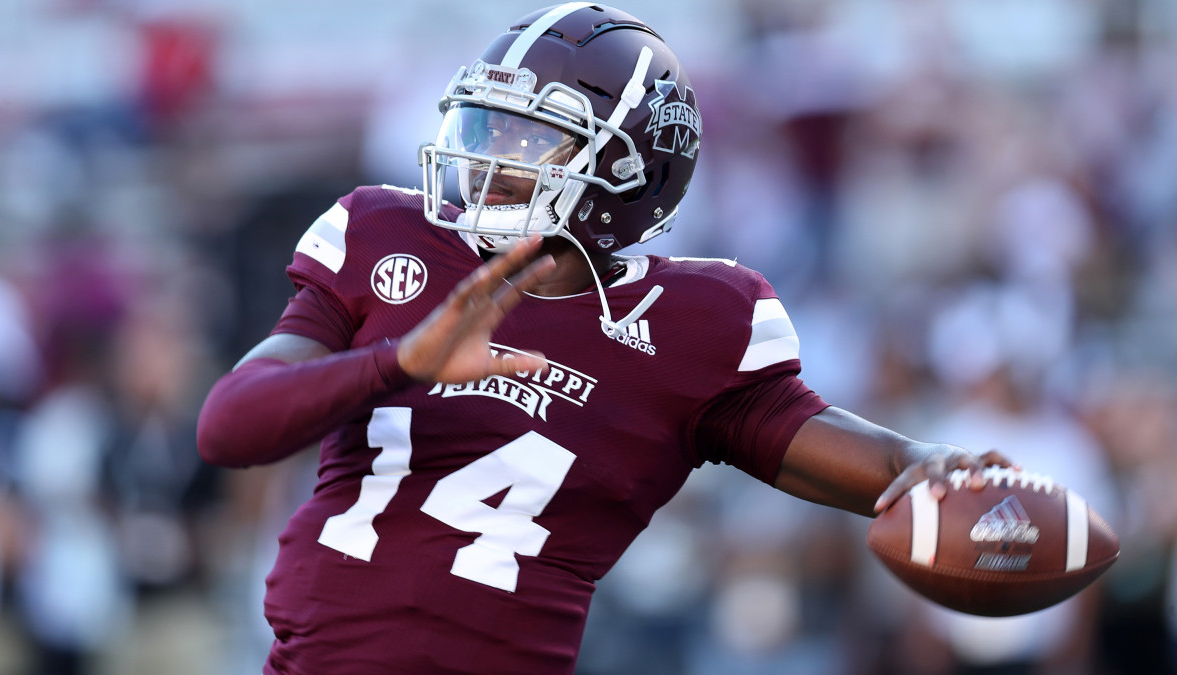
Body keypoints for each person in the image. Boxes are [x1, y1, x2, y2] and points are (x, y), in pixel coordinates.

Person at [196, 4, 1009, 673]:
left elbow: (872, 464)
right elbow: (228, 425)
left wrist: (927, 465)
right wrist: (396, 363)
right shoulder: (388, 237)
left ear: (629, 170)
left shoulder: (692, 326)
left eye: (526, 137)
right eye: (484, 126)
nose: (486, 158)